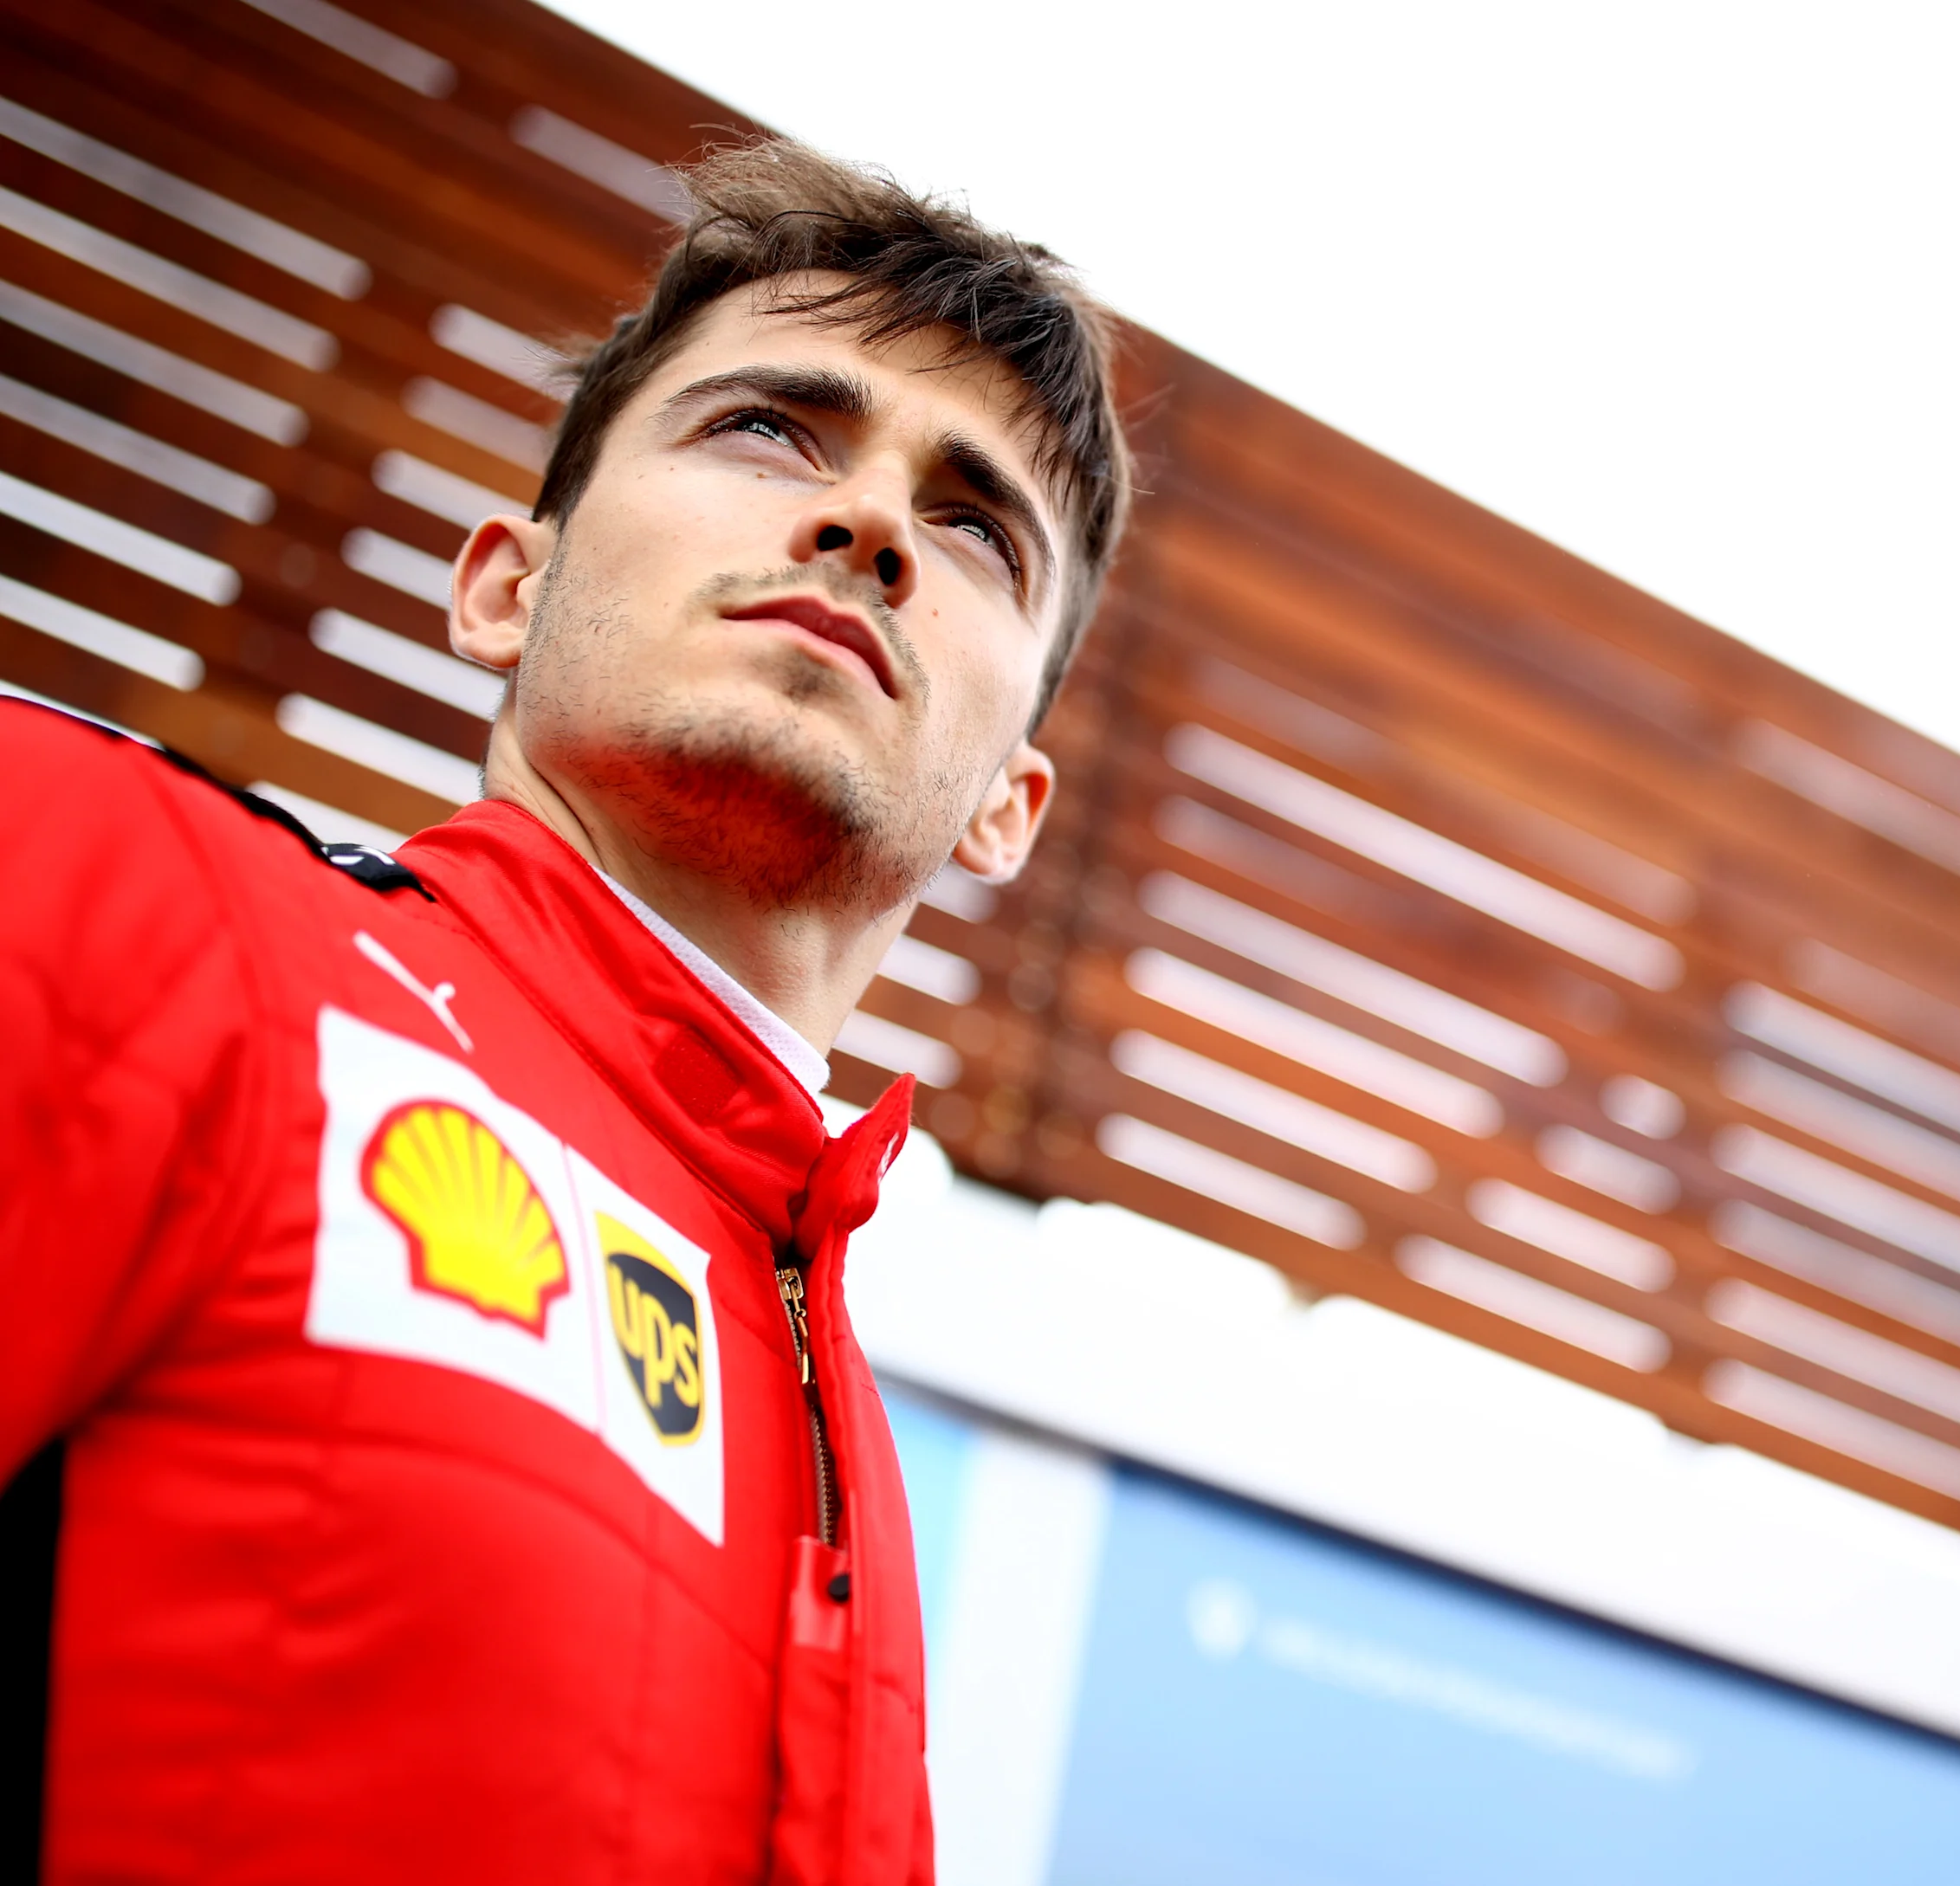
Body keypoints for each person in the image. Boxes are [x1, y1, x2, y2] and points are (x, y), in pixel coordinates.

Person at [0, 137, 1129, 1883]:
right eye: (767, 430)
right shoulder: (98, 873)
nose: (870, 525)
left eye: (978, 524)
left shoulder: (851, 1458)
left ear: (1008, 808)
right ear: (501, 587)